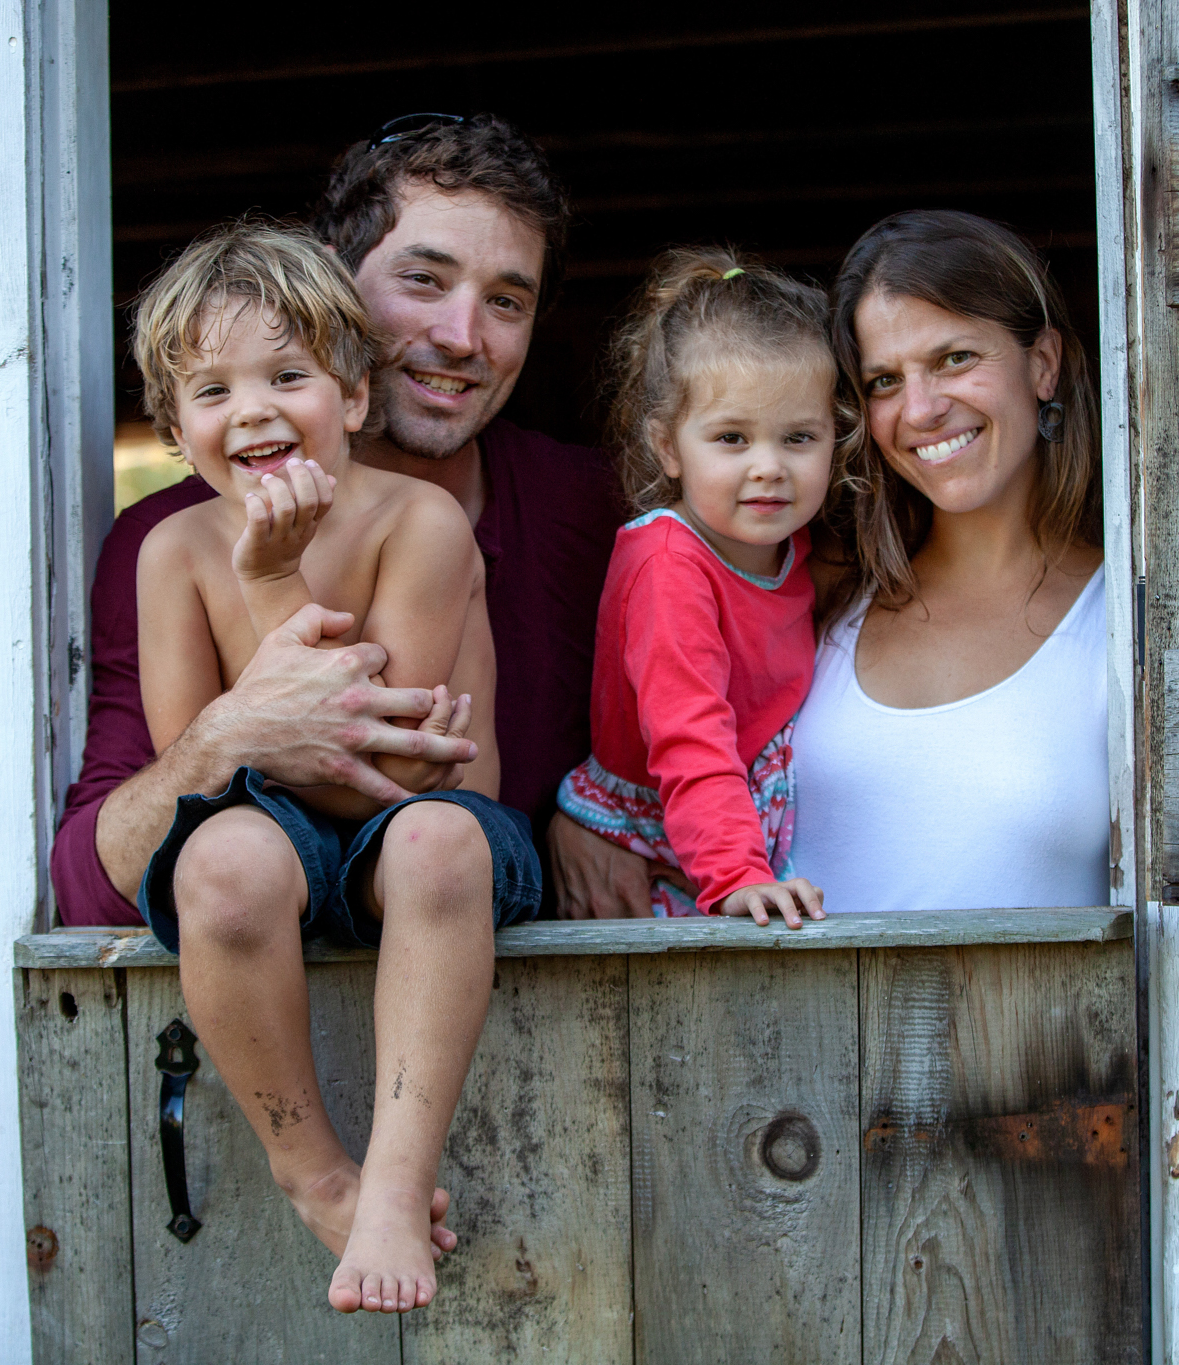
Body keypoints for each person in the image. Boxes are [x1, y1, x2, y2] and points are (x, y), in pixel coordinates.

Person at [50, 111, 631, 937]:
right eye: (424, 280)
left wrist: (607, 797)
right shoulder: (176, 538)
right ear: (330, 284)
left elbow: (771, 633)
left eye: (505, 300)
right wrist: (233, 735)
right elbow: (91, 883)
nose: (462, 337)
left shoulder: (592, 508)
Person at [129, 222, 531, 1316]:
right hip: (285, 840)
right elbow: (206, 779)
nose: (252, 409)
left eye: (288, 375)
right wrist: (259, 691)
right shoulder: (170, 553)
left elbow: (373, 778)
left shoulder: (422, 521)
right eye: (211, 390)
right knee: (219, 864)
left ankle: (396, 1186)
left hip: (424, 831)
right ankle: (314, 1171)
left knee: (435, 837)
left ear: (353, 396)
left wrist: (267, 582)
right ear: (175, 431)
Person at [791, 210, 1110, 910]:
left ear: (1043, 364)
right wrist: (589, 816)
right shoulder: (821, 595)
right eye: (884, 381)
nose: (922, 409)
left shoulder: (1125, 618)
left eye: (954, 358)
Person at [556, 250, 839, 929]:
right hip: (662, 852)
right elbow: (691, 736)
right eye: (732, 437)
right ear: (668, 447)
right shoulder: (669, 564)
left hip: (727, 837)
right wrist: (738, 873)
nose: (768, 467)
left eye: (799, 436)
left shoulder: (801, 551)